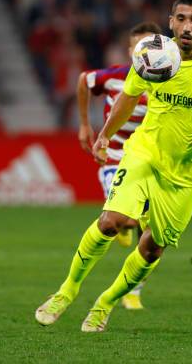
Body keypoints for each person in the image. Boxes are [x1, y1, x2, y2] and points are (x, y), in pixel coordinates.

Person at [35, 0, 192, 332]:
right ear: (170, 21)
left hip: (188, 170)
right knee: (112, 221)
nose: (186, 26)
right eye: (180, 18)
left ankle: (105, 303)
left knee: (152, 248)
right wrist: (105, 134)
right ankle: (66, 291)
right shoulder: (154, 53)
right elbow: (128, 96)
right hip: (144, 152)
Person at [76, 21, 162, 309]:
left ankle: (134, 289)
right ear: (129, 50)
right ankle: (123, 223)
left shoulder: (169, 81)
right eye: (138, 47)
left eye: (149, 46)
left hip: (152, 160)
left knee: (151, 231)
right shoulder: (115, 77)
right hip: (114, 156)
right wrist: (85, 125)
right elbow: (84, 81)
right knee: (126, 218)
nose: (144, 53)